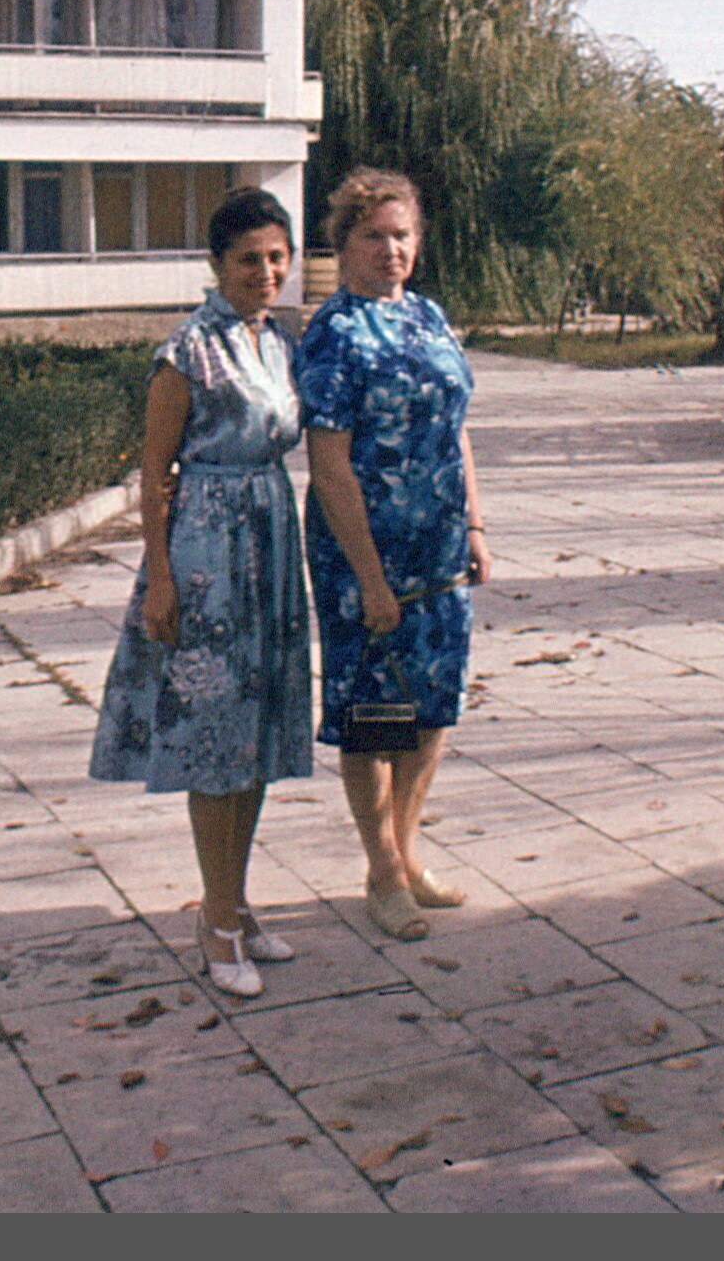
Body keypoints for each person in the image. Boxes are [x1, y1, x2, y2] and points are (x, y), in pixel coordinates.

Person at [89, 186, 312, 998]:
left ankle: (236, 903)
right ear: (217, 264)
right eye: (249, 259)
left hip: (269, 541)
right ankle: (215, 923)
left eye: (277, 258)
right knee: (217, 738)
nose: (265, 272)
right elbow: (154, 471)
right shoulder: (188, 350)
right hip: (208, 554)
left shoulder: (277, 341)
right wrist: (161, 577)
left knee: (255, 736)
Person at [295, 168, 492, 942]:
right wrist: (370, 579)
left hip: (440, 550)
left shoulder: (428, 316)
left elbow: (455, 427)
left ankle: (409, 857)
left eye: (402, 235)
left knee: (432, 708)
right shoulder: (335, 334)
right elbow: (330, 464)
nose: (391, 250)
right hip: (365, 557)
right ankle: (381, 873)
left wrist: (475, 527)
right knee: (376, 716)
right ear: (343, 244)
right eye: (373, 236)